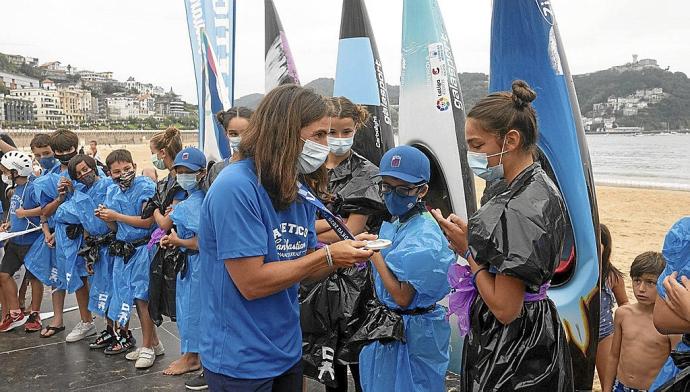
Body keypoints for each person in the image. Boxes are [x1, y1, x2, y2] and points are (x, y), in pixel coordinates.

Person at [198, 84, 374, 391]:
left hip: (286, 347)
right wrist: (328, 255)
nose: (327, 144)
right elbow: (252, 283)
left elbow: (303, 267)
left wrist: (346, 253)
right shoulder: (236, 189)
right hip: (241, 359)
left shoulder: (295, 186)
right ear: (285, 132)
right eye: (319, 135)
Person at [432, 80, 574, 391]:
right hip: (526, 335)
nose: (472, 155)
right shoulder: (526, 185)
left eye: (477, 145)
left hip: (514, 348)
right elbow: (508, 251)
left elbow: (505, 308)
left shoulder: (524, 205)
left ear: (510, 140)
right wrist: (476, 238)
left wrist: (468, 250)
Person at [357, 146, 455, 392]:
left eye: (402, 190)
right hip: (393, 327)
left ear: (422, 190)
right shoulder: (401, 222)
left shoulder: (424, 236)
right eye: (386, 188)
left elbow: (402, 297)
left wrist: (374, 254)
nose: (392, 196)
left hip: (413, 333)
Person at [306, 96, 386, 392]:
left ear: (357, 128)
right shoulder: (308, 170)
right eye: (330, 132)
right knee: (327, 362)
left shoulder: (368, 173)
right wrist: (335, 222)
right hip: (316, 275)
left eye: (345, 132)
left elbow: (353, 231)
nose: (338, 139)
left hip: (357, 282)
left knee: (360, 358)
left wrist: (308, 230)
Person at [97, 149, 162, 367]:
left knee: (143, 299)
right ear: (110, 173)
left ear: (134, 166)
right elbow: (115, 227)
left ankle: (146, 348)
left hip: (143, 248)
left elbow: (147, 222)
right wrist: (106, 218)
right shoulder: (112, 192)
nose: (123, 174)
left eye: (127, 169)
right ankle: (154, 343)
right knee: (132, 298)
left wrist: (116, 215)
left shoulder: (145, 187)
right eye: (117, 171)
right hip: (124, 250)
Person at [31, 130, 95, 341]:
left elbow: (96, 199)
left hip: (88, 232)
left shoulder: (87, 171)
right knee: (74, 277)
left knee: (96, 277)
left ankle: (113, 327)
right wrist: (60, 198)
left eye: (70, 150)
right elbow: (45, 212)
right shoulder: (47, 180)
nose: (66, 154)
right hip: (64, 235)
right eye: (61, 151)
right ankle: (86, 320)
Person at [152, 147, 206, 377]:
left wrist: (179, 241)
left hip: (199, 266)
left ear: (202, 173)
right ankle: (190, 354)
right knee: (187, 309)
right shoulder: (191, 200)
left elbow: (205, 241)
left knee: (194, 310)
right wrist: (174, 241)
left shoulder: (198, 202)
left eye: (188, 172)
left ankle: (193, 357)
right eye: (179, 171)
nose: (183, 176)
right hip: (189, 264)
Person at [63, 155, 117, 351]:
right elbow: (86, 223)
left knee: (114, 290)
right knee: (101, 290)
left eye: (86, 169)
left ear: (93, 167)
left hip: (112, 245)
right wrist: (88, 253)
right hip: (97, 248)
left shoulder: (108, 186)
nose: (84, 174)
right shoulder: (81, 194)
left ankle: (121, 332)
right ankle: (110, 329)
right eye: (79, 173)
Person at [603, 251, 675, 392]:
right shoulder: (623, 314)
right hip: (620, 387)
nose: (641, 289)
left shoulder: (670, 324)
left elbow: (675, 367)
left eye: (650, 282)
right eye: (637, 280)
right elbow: (613, 356)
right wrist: (606, 389)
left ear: (662, 283)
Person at [0, 151, 42, 332]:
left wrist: (26, 214)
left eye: (5, 170)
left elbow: (45, 209)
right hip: (15, 241)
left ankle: (35, 313)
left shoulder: (33, 188)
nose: (3, 173)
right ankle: (16, 311)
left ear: (15, 171)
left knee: (34, 278)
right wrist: (9, 224)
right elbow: (16, 212)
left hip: (31, 241)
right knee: (3, 275)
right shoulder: (16, 188)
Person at [596, 224, 630, 388]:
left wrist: (624, 331)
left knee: (608, 380)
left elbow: (624, 304)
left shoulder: (612, 276)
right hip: (577, 333)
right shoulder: (573, 273)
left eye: (597, 243)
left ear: (605, 247)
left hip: (605, 333)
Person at [203, 106, 253, 190]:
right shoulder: (216, 170)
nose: (240, 138)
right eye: (233, 134)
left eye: (245, 133)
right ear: (226, 134)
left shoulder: (261, 168)